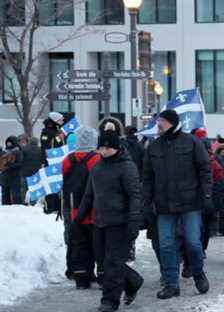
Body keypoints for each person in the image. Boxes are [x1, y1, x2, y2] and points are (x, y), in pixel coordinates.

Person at [143, 109, 212, 299]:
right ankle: (171, 284)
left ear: (171, 123)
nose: (158, 126)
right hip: (163, 206)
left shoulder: (191, 142)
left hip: (190, 203)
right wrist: (145, 202)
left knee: (193, 243)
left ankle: (198, 273)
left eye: (161, 123)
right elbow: (147, 177)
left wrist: (206, 196)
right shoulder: (153, 147)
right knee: (165, 245)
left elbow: (205, 170)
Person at [75, 130, 143, 312]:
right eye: (101, 147)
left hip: (120, 223)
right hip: (100, 222)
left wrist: (133, 221)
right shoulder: (97, 168)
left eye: (106, 148)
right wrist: (78, 218)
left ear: (116, 147)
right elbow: (89, 195)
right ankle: (133, 281)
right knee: (104, 262)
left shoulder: (127, 167)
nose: (103, 151)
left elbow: (135, 195)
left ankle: (109, 301)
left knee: (113, 263)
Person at [63, 127, 103, 289]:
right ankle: (101, 276)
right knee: (98, 245)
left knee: (79, 245)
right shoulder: (97, 158)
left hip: (75, 210)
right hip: (95, 210)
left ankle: (81, 278)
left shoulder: (67, 160)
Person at [40, 112, 66, 213]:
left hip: (58, 162)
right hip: (50, 162)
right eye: (60, 120)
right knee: (50, 185)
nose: (62, 122)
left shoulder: (57, 131)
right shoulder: (47, 132)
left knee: (57, 185)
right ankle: (49, 207)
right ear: (55, 121)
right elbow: (46, 147)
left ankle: (57, 206)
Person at [1, 136, 24, 205]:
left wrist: (9, 166)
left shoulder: (18, 152)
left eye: (10, 143)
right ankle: (5, 206)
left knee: (16, 193)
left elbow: (20, 163)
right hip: (5, 176)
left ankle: (18, 206)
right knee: (5, 193)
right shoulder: (4, 152)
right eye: (7, 143)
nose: (8, 145)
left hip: (15, 175)